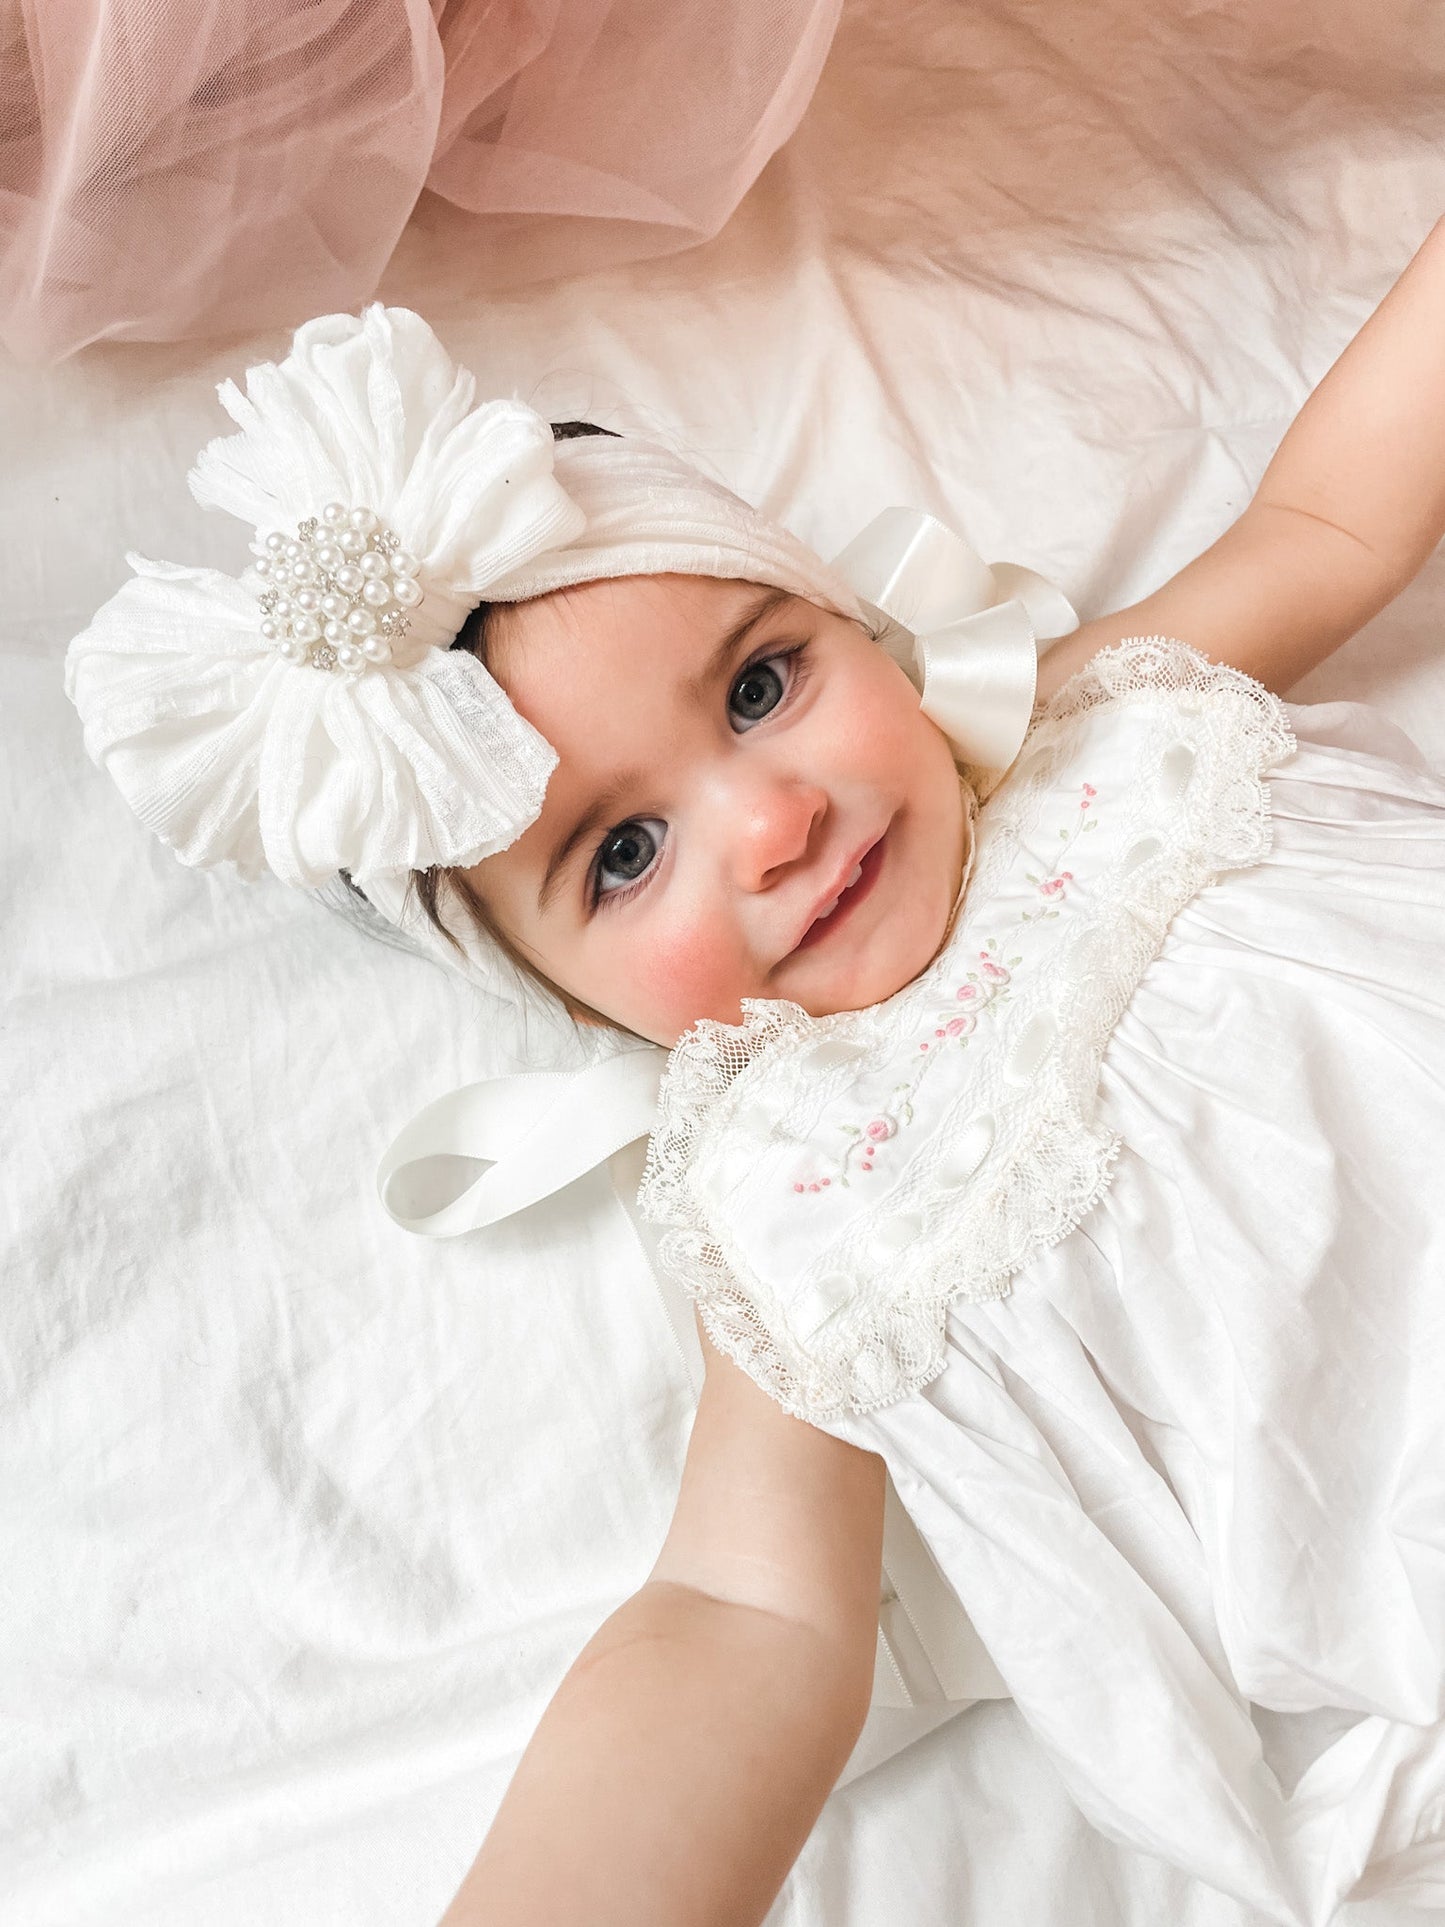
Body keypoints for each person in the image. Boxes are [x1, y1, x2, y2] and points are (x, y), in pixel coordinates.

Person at [64, 212, 1445, 1927]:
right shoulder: (782, 1183)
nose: (774, 822)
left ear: (861, 626)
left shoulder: (1091, 725)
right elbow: (744, 1618)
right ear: (557, 997)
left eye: (765, 682)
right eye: (623, 854)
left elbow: (1329, 519)